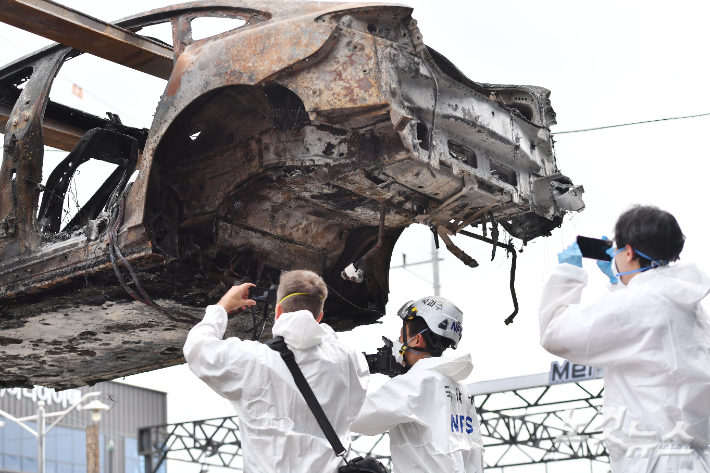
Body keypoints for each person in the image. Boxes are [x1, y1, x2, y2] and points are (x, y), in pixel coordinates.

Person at [538, 205, 710, 472]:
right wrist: (621, 284)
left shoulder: (642, 302)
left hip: (653, 461)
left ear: (628, 252)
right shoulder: (685, 300)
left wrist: (568, 275)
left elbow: (556, 333)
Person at [183, 270, 369, 473]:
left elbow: (196, 349)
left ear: (278, 310)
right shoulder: (349, 359)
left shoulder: (252, 360)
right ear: (320, 316)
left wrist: (222, 307)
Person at [351, 296, 485, 472]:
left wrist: (356, 371)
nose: (398, 340)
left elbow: (354, 419)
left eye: (401, 334)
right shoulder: (460, 390)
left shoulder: (416, 383)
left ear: (416, 340)